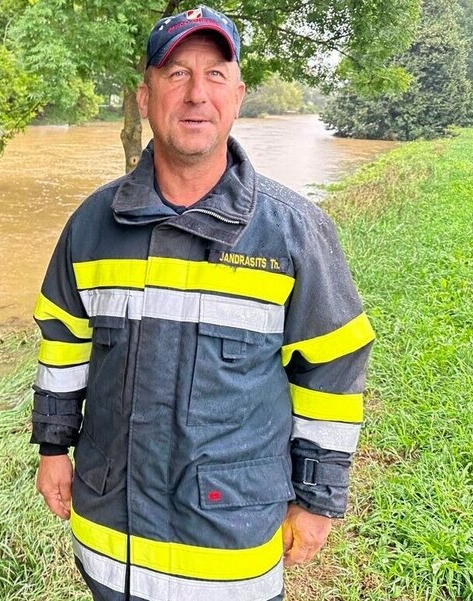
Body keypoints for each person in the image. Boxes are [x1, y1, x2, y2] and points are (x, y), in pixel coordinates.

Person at [30, 6, 374, 600]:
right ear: (144, 96)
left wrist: (316, 500)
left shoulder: (293, 234)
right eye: (176, 74)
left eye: (215, 75)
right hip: (110, 544)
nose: (196, 94)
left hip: (230, 553)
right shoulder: (91, 225)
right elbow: (63, 340)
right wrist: (54, 448)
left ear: (238, 97)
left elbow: (333, 369)